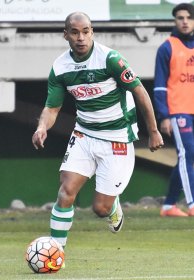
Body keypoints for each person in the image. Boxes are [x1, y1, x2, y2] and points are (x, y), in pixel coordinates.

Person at [32, 12, 164, 250]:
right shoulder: (61, 67)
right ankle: (55, 252)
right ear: (66, 35)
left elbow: (140, 91)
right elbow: (52, 108)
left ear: (92, 32)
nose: (81, 37)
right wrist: (42, 127)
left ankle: (112, 206)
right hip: (84, 133)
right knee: (66, 190)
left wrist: (153, 130)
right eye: (75, 32)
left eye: (86, 31)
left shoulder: (110, 59)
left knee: (100, 209)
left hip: (117, 137)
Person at [154, 3, 194, 217]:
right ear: (175, 21)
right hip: (178, 111)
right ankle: (192, 203)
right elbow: (160, 85)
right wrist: (164, 115)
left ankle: (169, 205)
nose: (185, 21)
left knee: (186, 158)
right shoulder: (167, 47)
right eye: (180, 17)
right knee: (188, 153)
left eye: (189, 17)